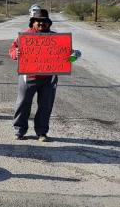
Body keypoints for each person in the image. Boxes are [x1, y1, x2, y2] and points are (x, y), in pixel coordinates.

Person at [8, 8, 80, 142]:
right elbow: (12, 49)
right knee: (23, 104)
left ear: (49, 23)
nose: (41, 24)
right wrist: (15, 53)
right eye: (38, 21)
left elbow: (68, 56)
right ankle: (19, 130)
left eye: (44, 22)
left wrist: (74, 56)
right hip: (28, 77)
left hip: (49, 79)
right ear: (33, 22)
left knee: (45, 106)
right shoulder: (24, 36)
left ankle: (42, 132)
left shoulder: (57, 38)